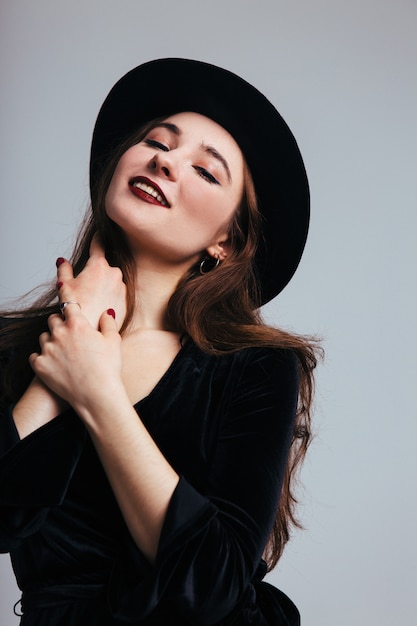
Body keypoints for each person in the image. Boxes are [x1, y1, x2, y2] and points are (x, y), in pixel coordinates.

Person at [0, 58, 320, 625]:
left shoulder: (257, 367)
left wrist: (98, 392)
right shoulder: (16, 344)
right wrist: (62, 362)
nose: (165, 161)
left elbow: (211, 586)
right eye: (158, 142)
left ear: (225, 239)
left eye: (206, 171)